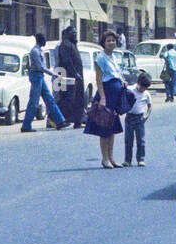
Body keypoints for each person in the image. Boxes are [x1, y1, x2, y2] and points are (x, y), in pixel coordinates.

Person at [85, 30, 126, 168]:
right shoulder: (100, 58)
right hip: (106, 94)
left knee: (112, 127)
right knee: (104, 126)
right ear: (103, 43)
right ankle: (105, 158)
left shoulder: (114, 57)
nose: (111, 42)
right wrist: (102, 97)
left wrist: (123, 81)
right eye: (108, 40)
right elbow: (99, 79)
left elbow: (117, 73)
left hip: (115, 96)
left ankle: (111, 157)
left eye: (113, 40)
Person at [22, 32, 68, 133]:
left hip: (40, 76)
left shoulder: (39, 50)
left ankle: (60, 121)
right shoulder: (35, 51)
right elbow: (40, 67)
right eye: (43, 39)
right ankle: (26, 125)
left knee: (49, 99)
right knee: (34, 102)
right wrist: (53, 74)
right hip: (36, 76)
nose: (45, 41)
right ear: (40, 40)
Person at [55, 26, 86, 128]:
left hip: (77, 76)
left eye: (76, 33)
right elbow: (67, 61)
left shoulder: (73, 44)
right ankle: (59, 119)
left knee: (79, 99)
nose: (75, 35)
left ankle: (78, 121)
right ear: (67, 33)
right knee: (68, 99)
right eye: (73, 33)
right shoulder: (65, 44)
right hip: (69, 77)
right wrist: (75, 73)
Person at [123, 71, 153, 167]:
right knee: (128, 140)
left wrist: (146, 116)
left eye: (145, 88)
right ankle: (128, 160)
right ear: (138, 82)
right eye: (142, 87)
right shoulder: (130, 89)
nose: (143, 89)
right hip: (129, 117)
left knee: (141, 140)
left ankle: (141, 159)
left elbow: (149, 106)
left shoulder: (146, 94)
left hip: (140, 118)